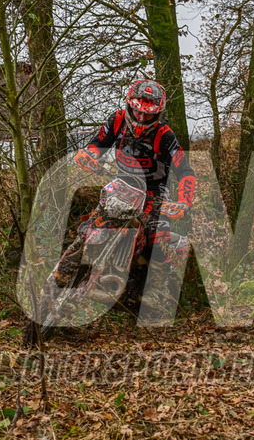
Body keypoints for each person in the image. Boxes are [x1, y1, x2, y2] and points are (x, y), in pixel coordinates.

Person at [74, 79, 196, 310]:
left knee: (157, 232)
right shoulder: (117, 119)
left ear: (157, 113)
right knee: (95, 219)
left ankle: (157, 289)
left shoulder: (165, 135)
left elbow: (185, 171)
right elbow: (98, 143)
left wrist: (184, 202)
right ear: (130, 105)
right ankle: (80, 263)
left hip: (154, 191)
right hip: (122, 183)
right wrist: (88, 154)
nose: (141, 117)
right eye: (137, 111)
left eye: (147, 114)